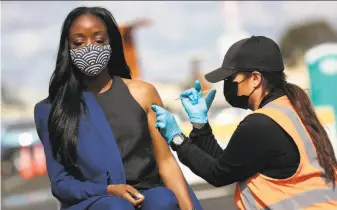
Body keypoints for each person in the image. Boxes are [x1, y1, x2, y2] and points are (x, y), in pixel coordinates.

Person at [33, 6, 201, 210]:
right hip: (95, 201)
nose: (90, 48)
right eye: (79, 42)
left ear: (111, 43)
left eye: (98, 40)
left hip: (147, 194)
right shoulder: (51, 110)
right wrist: (107, 190)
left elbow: (165, 161)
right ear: (67, 48)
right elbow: (61, 184)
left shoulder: (143, 93)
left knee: (163, 202)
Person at [152, 36, 337, 209]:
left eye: (231, 78)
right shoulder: (292, 110)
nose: (228, 85)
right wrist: (200, 126)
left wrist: (176, 138)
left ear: (255, 78)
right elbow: (230, 165)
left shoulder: (261, 124)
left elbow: (218, 174)